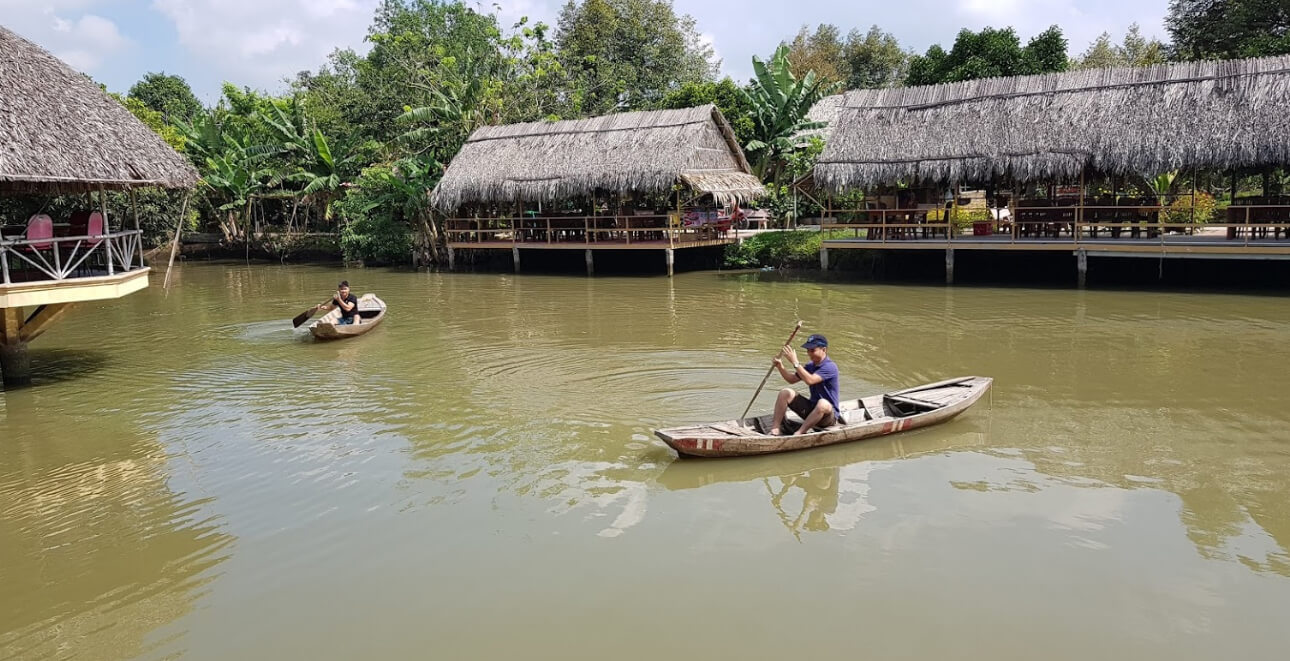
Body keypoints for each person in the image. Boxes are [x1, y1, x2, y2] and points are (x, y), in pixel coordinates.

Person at [768, 334, 842, 436]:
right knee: (785, 393)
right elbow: (792, 380)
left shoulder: (830, 367)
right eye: (808, 351)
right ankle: (775, 428)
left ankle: (799, 432)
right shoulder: (810, 366)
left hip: (828, 416)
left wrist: (795, 362)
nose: (809, 354)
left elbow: (810, 380)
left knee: (822, 403)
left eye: (812, 350)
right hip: (812, 410)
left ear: (824, 350)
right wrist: (780, 367)